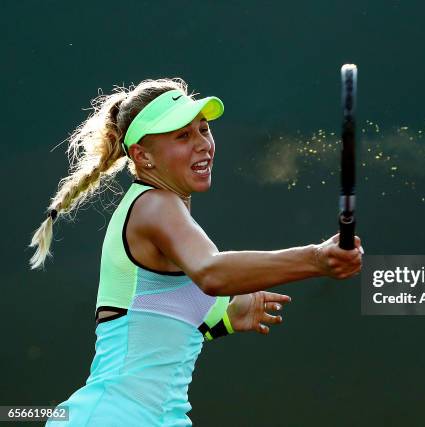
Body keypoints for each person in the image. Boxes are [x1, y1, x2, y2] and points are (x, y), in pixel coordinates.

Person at [29, 77, 363, 426]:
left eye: (203, 130)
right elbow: (211, 273)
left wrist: (228, 316)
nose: (203, 144)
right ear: (143, 156)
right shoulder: (154, 205)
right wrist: (315, 258)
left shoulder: (162, 214)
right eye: (182, 136)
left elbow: (155, 323)